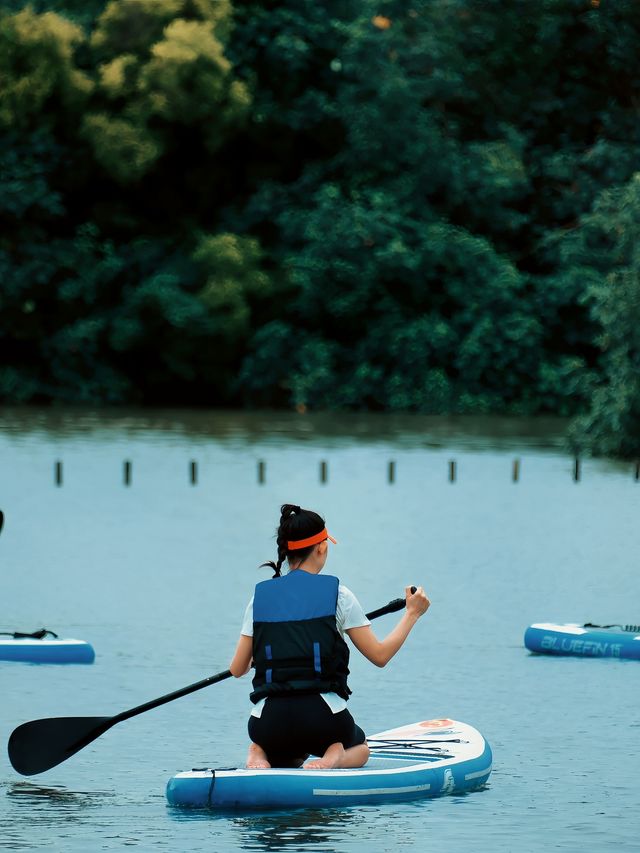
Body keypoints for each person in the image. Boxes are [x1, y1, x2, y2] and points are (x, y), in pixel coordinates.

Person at [229, 503, 430, 770]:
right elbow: (380, 656)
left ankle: (257, 755)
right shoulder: (340, 595)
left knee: (275, 749)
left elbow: (237, 668)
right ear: (322, 547)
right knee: (360, 747)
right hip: (323, 720)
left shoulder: (259, 598)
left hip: (267, 722)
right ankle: (334, 755)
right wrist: (412, 613)